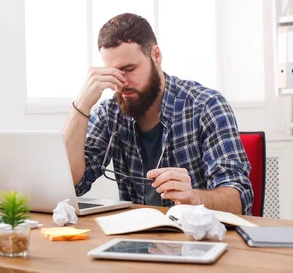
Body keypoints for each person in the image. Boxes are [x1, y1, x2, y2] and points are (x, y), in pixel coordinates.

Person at [63, 13, 253, 215]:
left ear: (156, 56)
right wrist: (81, 106)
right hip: (136, 239)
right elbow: (69, 185)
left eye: (129, 69)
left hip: (198, 238)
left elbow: (239, 201)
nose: (122, 82)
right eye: (114, 72)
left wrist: (193, 197)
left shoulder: (206, 106)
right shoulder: (110, 113)